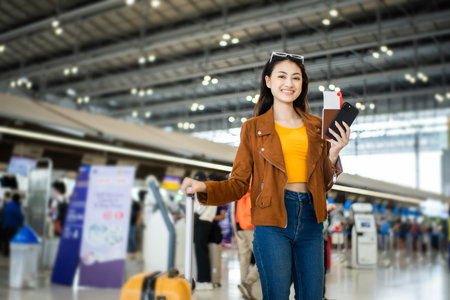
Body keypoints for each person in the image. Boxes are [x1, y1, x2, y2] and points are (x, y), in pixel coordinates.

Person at [181, 51, 350, 300]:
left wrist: (334, 153)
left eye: (296, 78)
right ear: (269, 81)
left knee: (312, 296)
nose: (289, 84)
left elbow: (323, 183)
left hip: (313, 220)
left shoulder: (317, 126)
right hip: (272, 221)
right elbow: (238, 184)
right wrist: (204, 187)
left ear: (303, 85)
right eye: (282, 76)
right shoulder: (252, 129)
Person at [231, 187, 260, 300]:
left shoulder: (238, 188)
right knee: (264, 258)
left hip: (239, 227)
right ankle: (248, 283)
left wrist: (235, 232)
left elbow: (233, 212)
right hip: (250, 226)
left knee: (244, 259)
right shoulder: (253, 185)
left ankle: (245, 290)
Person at [192, 171, 217, 290]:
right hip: (205, 222)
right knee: (201, 251)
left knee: (201, 251)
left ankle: (204, 281)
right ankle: (203, 279)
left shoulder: (205, 190)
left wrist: (196, 214)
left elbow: (202, 205)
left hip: (202, 222)